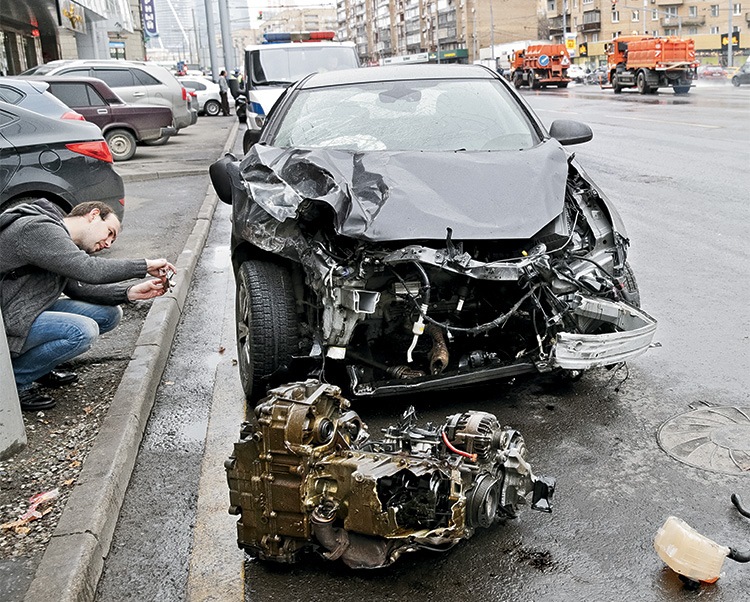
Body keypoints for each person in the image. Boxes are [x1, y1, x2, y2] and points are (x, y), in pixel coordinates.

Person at [0, 199, 177, 412]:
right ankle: (16, 381)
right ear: (93, 215)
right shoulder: (38, 229)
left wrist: (130, 293)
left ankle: (37, 366)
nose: (109, 243)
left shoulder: (61, 239)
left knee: (109, 315)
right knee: (82, 331)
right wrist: (145, 265)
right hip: (6, 318)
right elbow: (90, 270)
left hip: (24, 310)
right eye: (110, 232)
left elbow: (78, 288)